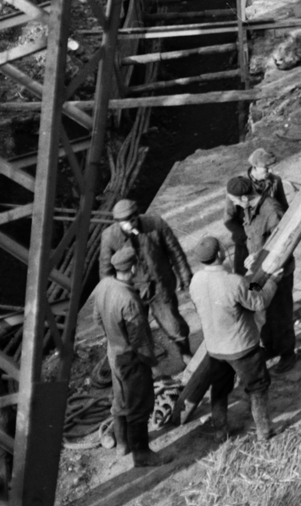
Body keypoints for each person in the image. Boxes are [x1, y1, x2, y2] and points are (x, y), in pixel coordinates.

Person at [188, 235, 279, 443]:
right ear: (220, 253)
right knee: (257, 387)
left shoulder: (196, 281)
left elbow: (243, 290)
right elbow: (258, 302)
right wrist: (272, 281)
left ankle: (220, 431)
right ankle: (265, 430)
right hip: (242, 348)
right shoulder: (233, 281)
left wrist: (251, 282)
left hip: (215, 349)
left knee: (219, 390)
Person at [91, 247, 162, 468]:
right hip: (131, 359)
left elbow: (97, 319)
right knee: (138, 405)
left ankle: (122, 445)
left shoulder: (103, 285)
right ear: (132, 268)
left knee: (120, 400)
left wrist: (114, 337)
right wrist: (152, 363)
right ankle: (142, 454)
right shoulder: (128, 299)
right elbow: (140, 339)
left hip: (114, 354)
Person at [225, 151, 297, 369]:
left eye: (236, 201)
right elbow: (237, 225)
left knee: (280, 311)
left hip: (277, 271)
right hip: (257, 270)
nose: (234, 205)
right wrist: (250, 251)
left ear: (245, 198)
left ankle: (287, 353)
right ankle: (270, 347)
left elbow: (283, 244)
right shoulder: (246, 204)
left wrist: (259, 254)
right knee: (261, 306)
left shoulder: (272, 212)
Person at [99, 198, 193, 363]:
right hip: (132, 292)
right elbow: (106, 270)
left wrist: (184, 274)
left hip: (160, 285)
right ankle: (152, 369)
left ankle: (185, 354)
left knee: (173, 324)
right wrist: (109, 299)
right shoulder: (109, 237)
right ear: (117, 222)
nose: (129, 225)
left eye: (132, 220)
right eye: (124, 223)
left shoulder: (155, 224)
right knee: (138, 333)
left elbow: (174, 250)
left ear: (138, 215)